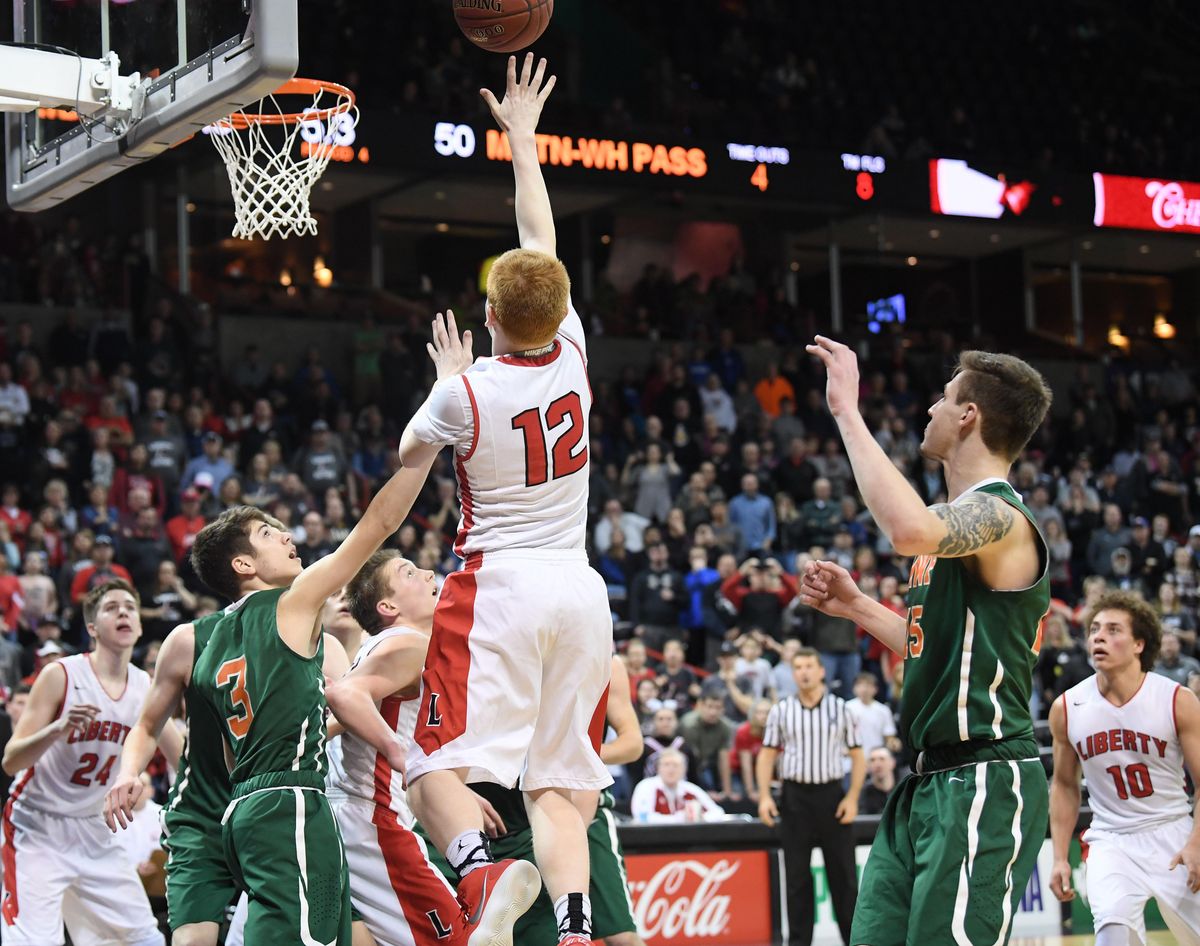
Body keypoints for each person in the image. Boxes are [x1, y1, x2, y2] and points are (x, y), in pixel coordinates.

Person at [398, 55, 611, 946]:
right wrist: (524, 139)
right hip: (580, 589)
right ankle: (574, 925)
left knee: (425, 764)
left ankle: (479, 878)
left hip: (498, 591)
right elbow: (541, 236)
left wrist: (446, 385)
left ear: (487, 313)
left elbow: (410, 453)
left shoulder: (465, 389)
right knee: (560, 783)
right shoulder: (572, 351)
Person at [800, 341, 1053, 946]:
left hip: (983, 775)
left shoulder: (1001, 519)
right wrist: (858, 606)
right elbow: (932, 648)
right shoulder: (961, 525)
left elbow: (909, 530)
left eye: (943, 398)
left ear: (968, 416)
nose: (931, 409)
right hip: (925, 783)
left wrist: (847, 412)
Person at [105, 574, 355, 946]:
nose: (288, 543)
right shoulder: (190, 639)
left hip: (277, 812)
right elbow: (147, 724)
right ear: (243, 563)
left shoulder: (322, 643)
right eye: (270, 534)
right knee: (193, 940)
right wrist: (127, 772)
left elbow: (350, 713)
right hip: (204, 813)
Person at [1, 580, 181, 946]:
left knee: (144, 937)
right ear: (92, 628)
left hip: (93, 828)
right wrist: (57, 729)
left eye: (130, 607)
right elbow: (10, 761)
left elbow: (184, 757)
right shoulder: (62, 675)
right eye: (112, 607)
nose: (124, 612)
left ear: (141, 625)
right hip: (37, 826)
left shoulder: (145, 685)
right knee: (32, 942)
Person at [325, 549, 470, 946]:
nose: (427, 572)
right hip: (371, 816)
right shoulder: (406, 644)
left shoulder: (387, 647)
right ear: (387, 606)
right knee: (460, 939)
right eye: (409, 572)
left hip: (356, 813)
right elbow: (344, 695)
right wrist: (394, 750)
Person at [1049, 591, 1200, 944]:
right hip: (1111, 840)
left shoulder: (1176, 700)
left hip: (1174, 833)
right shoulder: (1068, 707)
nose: (1099, 636)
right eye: (1095, 629)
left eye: (1114, 630)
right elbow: (1065, 786)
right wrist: (1059, 857)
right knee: (1113, 934)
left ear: (1138, 644)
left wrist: (1197, 842)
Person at [757, 647, 863, 946]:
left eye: (808, 666)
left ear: (821, 671)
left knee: (843, 877)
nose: (803, 672)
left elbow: (858, 756)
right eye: (798, 667)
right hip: (794, 798)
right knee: (797, 879)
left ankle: (854, 940)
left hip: (831, 796)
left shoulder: (841, 709)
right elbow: (766, 756)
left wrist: (852, 797)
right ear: (794, 674)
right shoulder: (781, 710)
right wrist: (765, 796)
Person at [630, 747, 725, 823]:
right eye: (666, 764)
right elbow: (643, 818)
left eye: (676, 765)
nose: (671, 769)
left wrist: (700, 817)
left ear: (684, 769)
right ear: (658, 768)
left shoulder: (691, 789)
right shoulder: (646, 787)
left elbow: (718, 812)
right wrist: (680, 818)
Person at [846, 672, 900, 757]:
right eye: (860, 685)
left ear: (875, 689)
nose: (864, 689)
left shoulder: (883, 710)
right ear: (854, 688)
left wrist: (893, 743)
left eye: (868, 685)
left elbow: (889, 736)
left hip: (876, 757)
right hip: (852, 758)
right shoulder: (846, 708)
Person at [860, 746, 898, 815]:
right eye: (872, 760)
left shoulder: (903, 791)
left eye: (882, 759)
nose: (878, 764)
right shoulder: (862, 794)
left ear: (893, 763)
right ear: (867, 766)